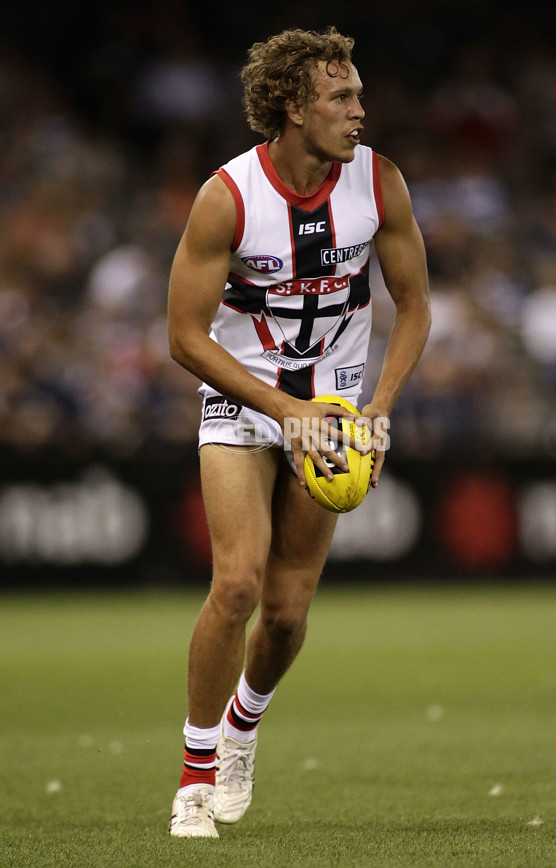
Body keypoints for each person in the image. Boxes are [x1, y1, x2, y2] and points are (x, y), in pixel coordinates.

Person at [167, 26, 431, 838]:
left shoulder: (379, 183)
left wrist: (377, 411)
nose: (361, 111)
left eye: (358, 94)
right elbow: (184, 336)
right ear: (291, 107)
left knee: (283, 612)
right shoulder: (227, 197)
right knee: (237, 584)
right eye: (341, 97)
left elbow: (416, 307)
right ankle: (195, 777)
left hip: (339, 407)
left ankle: (244, 727)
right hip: (249, 401)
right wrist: (282, 409)